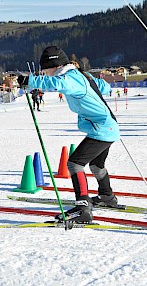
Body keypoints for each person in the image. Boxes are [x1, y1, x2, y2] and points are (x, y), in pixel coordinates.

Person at [26, 45, 120, 223]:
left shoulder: (70, 77)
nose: (45, 73)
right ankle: (107, 197)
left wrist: (31, 81)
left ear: (53, 66)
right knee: (96, 165)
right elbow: (104, 86)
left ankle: (83, 208)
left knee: (75, 163)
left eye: (45, 70)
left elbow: (59, 84)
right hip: (106, 127)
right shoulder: (79, 75)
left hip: (102, 129)